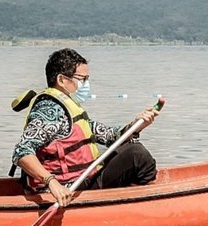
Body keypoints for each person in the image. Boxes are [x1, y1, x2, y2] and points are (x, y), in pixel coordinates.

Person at [11, 48, 159, 207]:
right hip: (66, 188)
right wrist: (52, 182)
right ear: (62, 80)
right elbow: (22, 151)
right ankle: (139, 204)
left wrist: (136, 125)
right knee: (137, 154)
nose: (86, 84)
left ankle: (129, 197)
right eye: (82, 79)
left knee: (132, 147)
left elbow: (108, 136)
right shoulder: (50, 110)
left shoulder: (68, 106)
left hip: (83, 179)